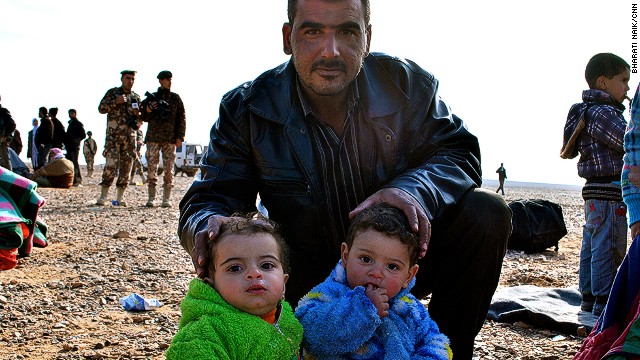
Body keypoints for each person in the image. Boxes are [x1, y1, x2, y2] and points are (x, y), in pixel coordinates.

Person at [178, 1, 512, 358]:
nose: (330, 51)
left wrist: (412, 191)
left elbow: (459, 152)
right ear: (288, 37)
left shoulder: (406, 86)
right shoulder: (247, 108)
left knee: (487, 212)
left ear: (367, 37)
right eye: (312, 31)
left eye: (348, 32)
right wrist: (208, 227)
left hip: (391, 266)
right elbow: (208, 200)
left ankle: (451, 351)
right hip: (303, 280)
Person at [296, 203, 452, 359]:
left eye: (392, 266)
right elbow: (310, 337)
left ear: (409, 276)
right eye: (366, 259)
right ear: (345, 255)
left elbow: (436, 344)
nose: (376, 273)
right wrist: (362, 309)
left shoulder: (410, 310)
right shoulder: (325, 296)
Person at [165, 214, 303, 360]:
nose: (254, 273)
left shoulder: (287, 316)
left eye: (266, 265)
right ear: (211, 284)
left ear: (284, 280)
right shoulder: (207, 334)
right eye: (235, 268)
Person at [561, 52, 630, 316]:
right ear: (602, 82)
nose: (626, 88)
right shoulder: (604, 113)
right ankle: (604, 306)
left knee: (592, 245)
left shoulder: (587, 111)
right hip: (609, 192)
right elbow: (627, 142)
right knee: (609, 247)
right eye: (623, 81)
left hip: (593, 192)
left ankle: (588, 299)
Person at [141, 70, 186, 208]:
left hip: (170, 138)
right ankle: (151, 198)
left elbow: (181, 118)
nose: (169, 82)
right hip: (153, 137)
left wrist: (180, 137)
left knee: (169, 169)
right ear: (160, 81)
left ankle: (166, 199)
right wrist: (148, 110)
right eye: (167, 79)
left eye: (170, 79)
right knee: (152, 168)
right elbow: (142, 117)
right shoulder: (152, 98)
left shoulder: (175, 98)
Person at [96, 70, 142, 206]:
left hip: (129, 138)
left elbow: (140, 119)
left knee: (126, 167)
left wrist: (138, 116)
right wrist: (116, 102)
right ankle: (103, 196)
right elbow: (101, 108)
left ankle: (119, 198)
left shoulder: (136, 97)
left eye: (132, 79)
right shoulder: (113, 93)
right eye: (128, 78)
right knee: (110, 165)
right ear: (122, 79)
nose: (130, 81)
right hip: (113, 137)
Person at [64, 109, 86, 186]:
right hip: (69, 146)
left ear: (75, 114)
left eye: (72, 113)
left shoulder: (78, 124)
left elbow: (83, 135)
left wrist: (76, 141)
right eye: (69, 113)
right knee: (69, 163)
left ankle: (78, 179)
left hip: (75, 147)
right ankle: (72, 179)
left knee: (74, 162)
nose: (71, 115)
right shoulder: (70, 124)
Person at [0, 95, 17, 171]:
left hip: (2, 139)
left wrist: (5, 136)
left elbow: (12, 124)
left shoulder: (3, 111)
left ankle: (10, 179)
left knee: (5, 159)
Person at [34, 106, 53, 171]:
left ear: (42, 112)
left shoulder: (46, 122)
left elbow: (46, 133)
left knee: (42, 159)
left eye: (39, 112)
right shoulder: (44, 121)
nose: (38, 113)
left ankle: (43, 174)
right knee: (41, 159)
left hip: (45, 144)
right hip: (44, 144)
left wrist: (43, 143)